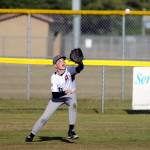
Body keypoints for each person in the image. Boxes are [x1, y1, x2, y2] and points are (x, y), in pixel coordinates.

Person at [25, 53, 84, 142]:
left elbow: (80, 68)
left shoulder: (69, 70)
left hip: (69, 96)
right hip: (57, 98)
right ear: (55, 65)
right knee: (44, 118)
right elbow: (55, 95)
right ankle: (31, 135)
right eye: (60, 61)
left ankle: (71, 130)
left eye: (63, 60)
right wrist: (65, 91)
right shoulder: (54, 77)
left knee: (73, 104)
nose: (63, 62)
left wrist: (80, 63)